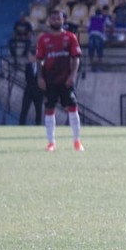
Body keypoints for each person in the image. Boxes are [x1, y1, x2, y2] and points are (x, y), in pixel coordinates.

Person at [36, 9, 84, 152]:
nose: (56, 21)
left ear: (63, 20)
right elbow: (39, 60)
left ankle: (77, 142)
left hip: (66, 80)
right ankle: (51, 143)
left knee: (73, 106)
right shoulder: (43, 39)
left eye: (59, 18)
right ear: (49, 21)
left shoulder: (70, 37)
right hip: (50, 80)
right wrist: (39, 77)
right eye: (53, 19)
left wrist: (72, 75)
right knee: (49, 108)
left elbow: (76, 58)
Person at [86, 6, 111, 71]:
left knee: (91, 49)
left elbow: (87, 26)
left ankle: (92, 65)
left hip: (92, 35)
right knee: (98, 49)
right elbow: (110, 24)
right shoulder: (104, 18)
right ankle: (99, 65)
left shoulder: (91, 18)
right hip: (99, 35)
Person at [19, 58, 43, 126]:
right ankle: (21, 125)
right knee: (24, 110)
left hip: (39, 93)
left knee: (38, 111)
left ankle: (38, 126)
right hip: (28, 92)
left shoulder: (42, 67)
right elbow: (26, 78)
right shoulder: (28, 66)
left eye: (31, 56)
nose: (30, 58)